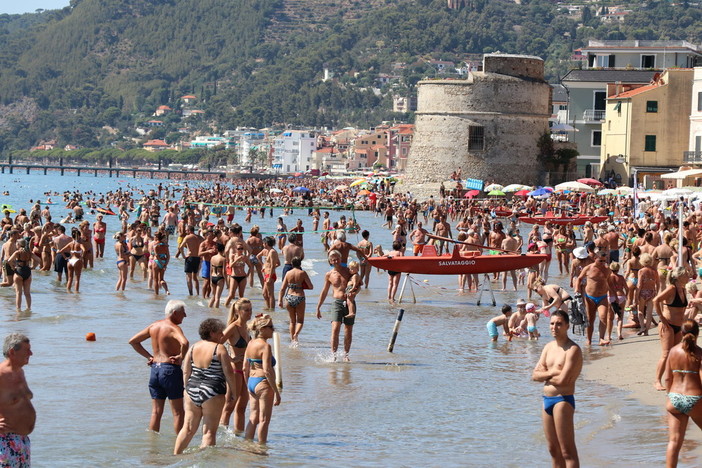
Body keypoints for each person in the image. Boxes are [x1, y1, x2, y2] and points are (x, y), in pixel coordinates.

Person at [174, 318, 238, 454]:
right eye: (220, 332)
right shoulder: (219, 348)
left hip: (192, 390)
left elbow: (186, 371)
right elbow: (229, 373)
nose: (222, 335)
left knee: (188, 429)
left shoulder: (193, 347)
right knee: (209, 432)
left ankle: (175, 457)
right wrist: (234, 392)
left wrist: (187, 389)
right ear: (212, 333)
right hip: (212, 391)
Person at [128, 300, 189, 434]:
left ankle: (152, 446)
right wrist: (181, 357)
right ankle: (179, 445)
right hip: (170, 370)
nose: (185, 315)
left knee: (156, 412)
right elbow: (185, 342)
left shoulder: (154, 326)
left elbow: (133, 341)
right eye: (183, 312)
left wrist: (149, 357)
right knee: (178, 412)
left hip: (155, 369)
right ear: (174, 313)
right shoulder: (173, 328)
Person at [532, 310, 582, 468]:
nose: (555, 327)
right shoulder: (548, 347)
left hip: (563, 400)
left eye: (559, 324)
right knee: (553, 450)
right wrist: (552, 372)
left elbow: (562, 381)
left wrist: (544, 376)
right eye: (552, 323)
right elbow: (534, 375)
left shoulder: (572, 349)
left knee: (567, 451)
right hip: (546, 400)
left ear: (567, 326)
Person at [664, 319, 702, 467]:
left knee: (674, 442)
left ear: (681, 333)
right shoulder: (699, 353)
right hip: (694, 398)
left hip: (674, 398)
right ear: (697, 334)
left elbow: (667, 378)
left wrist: (670, 396)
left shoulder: (673, 351)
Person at [243, 313, 281, 444]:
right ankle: (261, 449)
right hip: (263, 383)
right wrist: (276, 392)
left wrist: (247, 384)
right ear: (263, 329)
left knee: (253, 418)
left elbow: (244, 367)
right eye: (271, 327)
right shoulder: (265, 346)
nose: (273, 329)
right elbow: (267, 370)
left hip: (251, 382)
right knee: (264, 420)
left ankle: (247, 445)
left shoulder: (250, 343)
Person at [653, 267, 691, 392]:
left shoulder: (683, 289)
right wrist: (662, 318)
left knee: (675, 354)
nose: (688, 276)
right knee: (666, 353)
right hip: (667, 325)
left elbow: (681, 309)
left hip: (678, 326)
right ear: (679, 277)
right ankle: (657, 381)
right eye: (686, 274)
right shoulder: (672, 289)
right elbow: (656, 300)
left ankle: (673, 379)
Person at [0, 333, 35, 467]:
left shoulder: (19, 373)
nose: (31, 353)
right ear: (12, 352)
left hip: (22, 442)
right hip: (5, 443)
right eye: (27, 350)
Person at [219, 298, 253, 432]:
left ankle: (238, 434)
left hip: (247, 371)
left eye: (250, 309)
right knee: (229, 405)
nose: (249, 313)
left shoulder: (248, 326)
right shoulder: (233, 327)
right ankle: (221, 436)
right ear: (238, 311)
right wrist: (231, 358)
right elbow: (216, 344)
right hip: (235, 371)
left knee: (242, 406)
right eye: (246, 310)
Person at [316, 249, 354, 361]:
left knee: (348, 330)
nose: (336, 261)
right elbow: (324, 291)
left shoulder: (348, 271)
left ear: (341, 259)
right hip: (336, 302)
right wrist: (318, 307)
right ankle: (334, 355)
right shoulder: (329, 274)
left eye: (337, 258)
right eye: (333, 259)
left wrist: (354, 293)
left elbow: (358, 283)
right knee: (335, 328)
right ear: (330, 261)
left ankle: (346, 355)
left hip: (349, 302)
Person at [279, 256, 313, 346]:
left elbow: (282, 288)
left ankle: (292, 340)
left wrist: (280, 300)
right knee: (300, 321)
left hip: (289, 296)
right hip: (299, 296)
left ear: (292, 264)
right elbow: (311, 286)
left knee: (292, 321)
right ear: (300, 264)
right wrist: (302, 286)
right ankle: (296, 335)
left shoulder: (288, 273)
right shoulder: (302, 273)